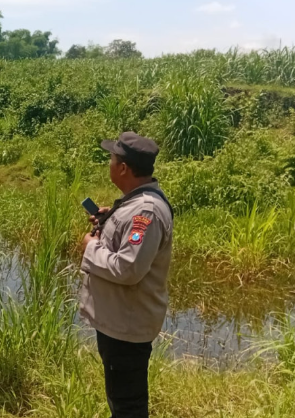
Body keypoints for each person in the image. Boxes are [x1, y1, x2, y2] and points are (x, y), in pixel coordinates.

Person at [80, 132, 174, 418]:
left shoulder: (145, 211)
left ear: (123, 168)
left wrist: (91, 246)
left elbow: (128, 268)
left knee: (127, 405)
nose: (109, 164)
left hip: (126, 327)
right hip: (118, 321)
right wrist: (110, 219)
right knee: (120, 398)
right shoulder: (133, 202)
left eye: (112, 159)